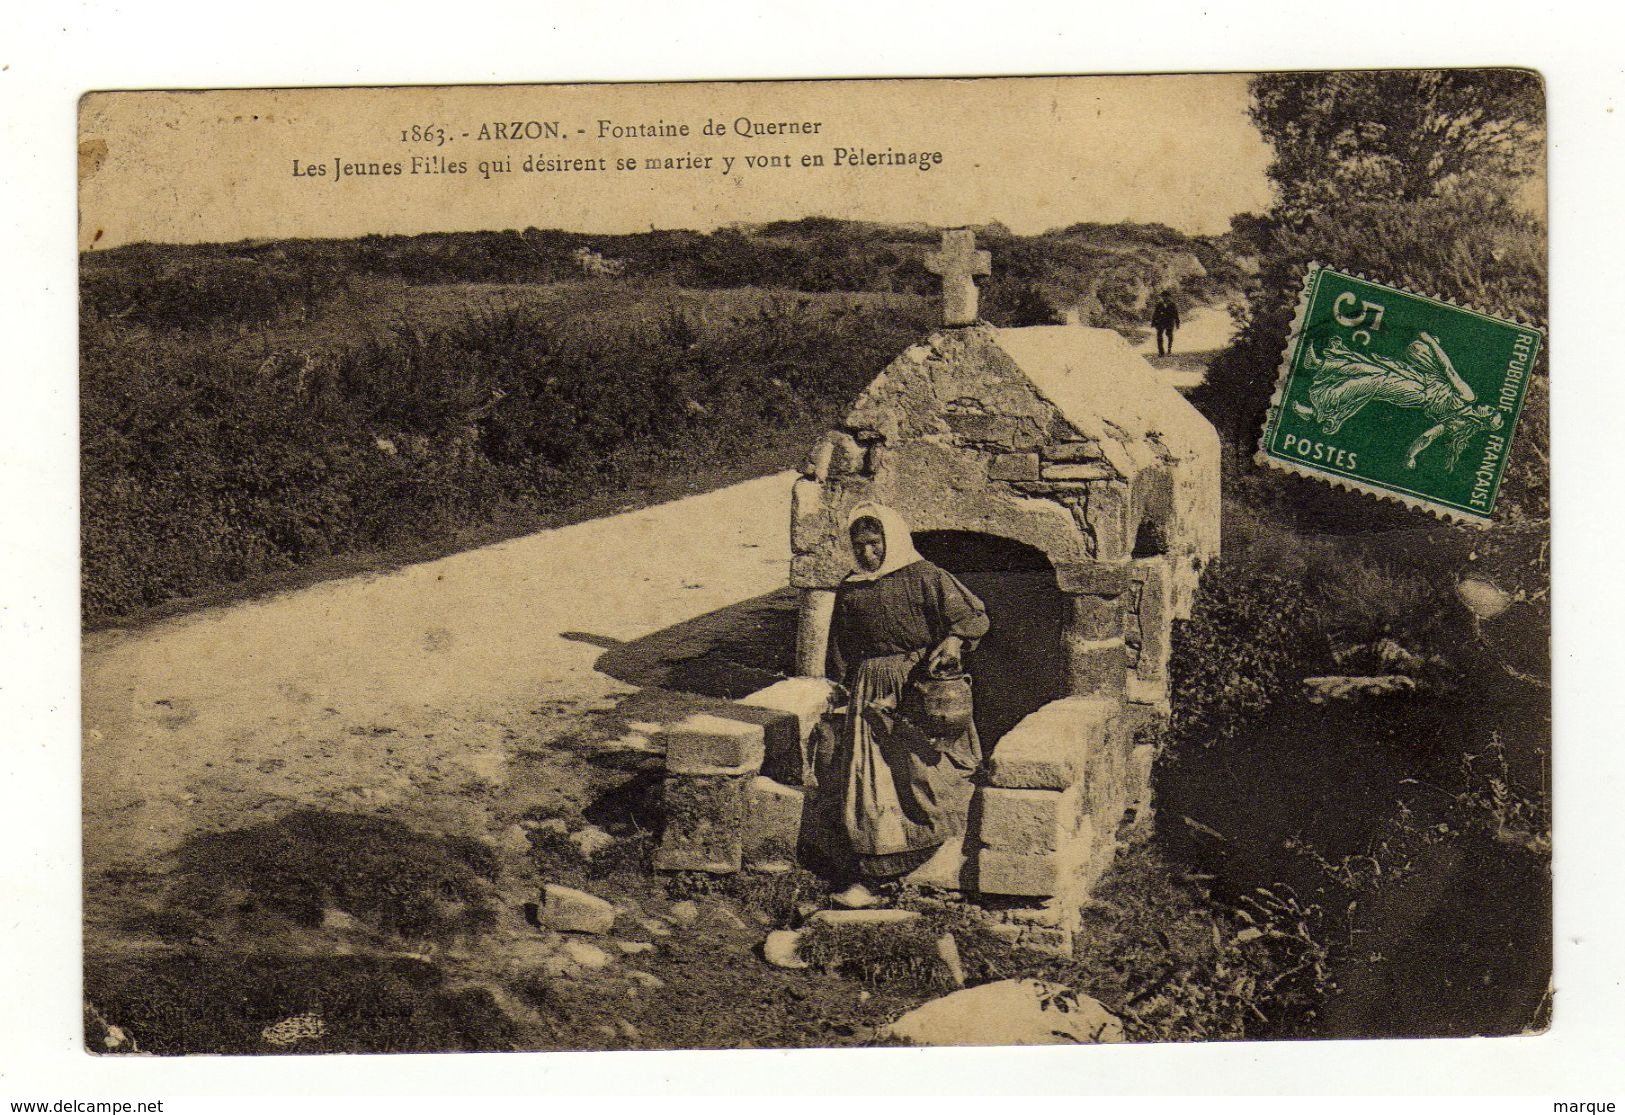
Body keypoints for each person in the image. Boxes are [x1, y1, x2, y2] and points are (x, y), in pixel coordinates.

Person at [820, 504, 990, 908]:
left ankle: (933, 846)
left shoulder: (925, 576)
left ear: (890, 541)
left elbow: (973, 616)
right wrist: (844, 688)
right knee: (871, 778)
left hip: (916, 686)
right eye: (858, 545)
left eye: (874, 544)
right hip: (869, 688)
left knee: (922, 769)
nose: (866, 554)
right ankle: (878, 870)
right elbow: (841, 646)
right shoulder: (852, 587)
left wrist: (952, 642)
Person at [1290, 331, 1505, 471]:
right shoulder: (1460, 416)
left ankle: (1317, 412)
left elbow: (1448, 370)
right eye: (1492, 408)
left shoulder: (1466, 399)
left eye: (1490, 411)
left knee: (1373, 381)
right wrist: (1412, 456)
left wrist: (1430, 342)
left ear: (1483, 418)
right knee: (1372, 368)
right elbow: (1427, 437)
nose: (1488, 406)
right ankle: (1318, 364)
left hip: (1416, 392)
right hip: (1418, 380)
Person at [1151, 291, 1181, 356]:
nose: (1165, 298)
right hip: (1160, 322)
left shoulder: (1172, 305)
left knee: (1169, 335)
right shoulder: (1159, 304)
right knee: (1159, 336)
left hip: (1169, 322)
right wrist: (1153, 322)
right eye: (1163, 296)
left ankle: (1169, 349)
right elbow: (1155, 314)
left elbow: (1176, 314)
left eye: (1166, 296)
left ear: (1169, 297)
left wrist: (1177, 323)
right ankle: (1161, 352)